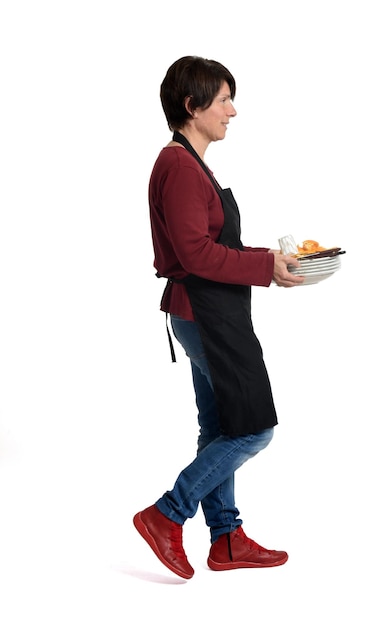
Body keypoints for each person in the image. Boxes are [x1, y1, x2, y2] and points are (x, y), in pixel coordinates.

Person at [133, 55, 304, 580]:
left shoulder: (189, 162)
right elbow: (196, 255)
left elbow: (210, 244)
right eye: (224, 99)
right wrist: (264, 268)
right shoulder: (180, 167)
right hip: (205, 315)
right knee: (254, 430)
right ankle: (167, 514)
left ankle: (227, 539)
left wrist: (272, 261)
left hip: (204, 312)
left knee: (220, 425)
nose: (233, 110)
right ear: (193, 105)